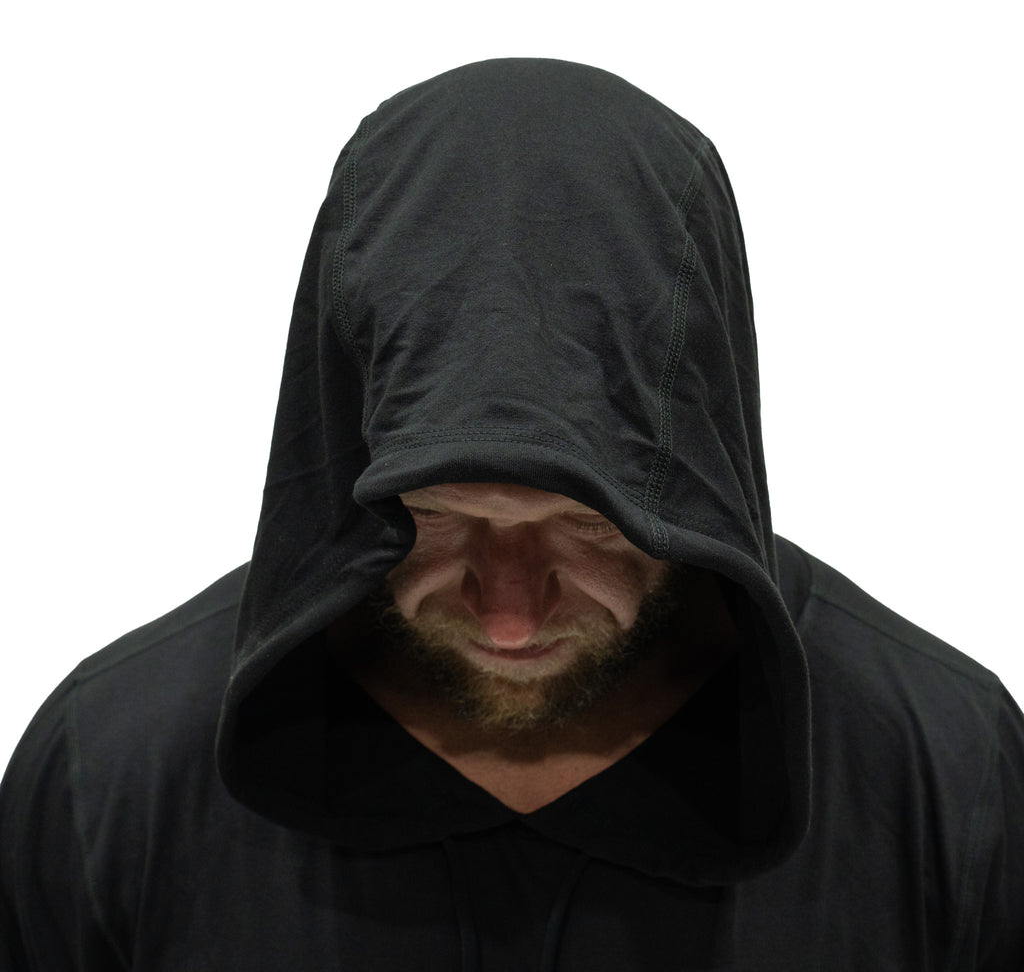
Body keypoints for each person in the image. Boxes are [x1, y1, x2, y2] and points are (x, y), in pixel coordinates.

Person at [1, 58, 1021, 970]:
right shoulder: (113, 777)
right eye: (438, 518)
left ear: (693, 479)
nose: (509, 615)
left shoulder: (942, 776)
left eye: (589, 524)